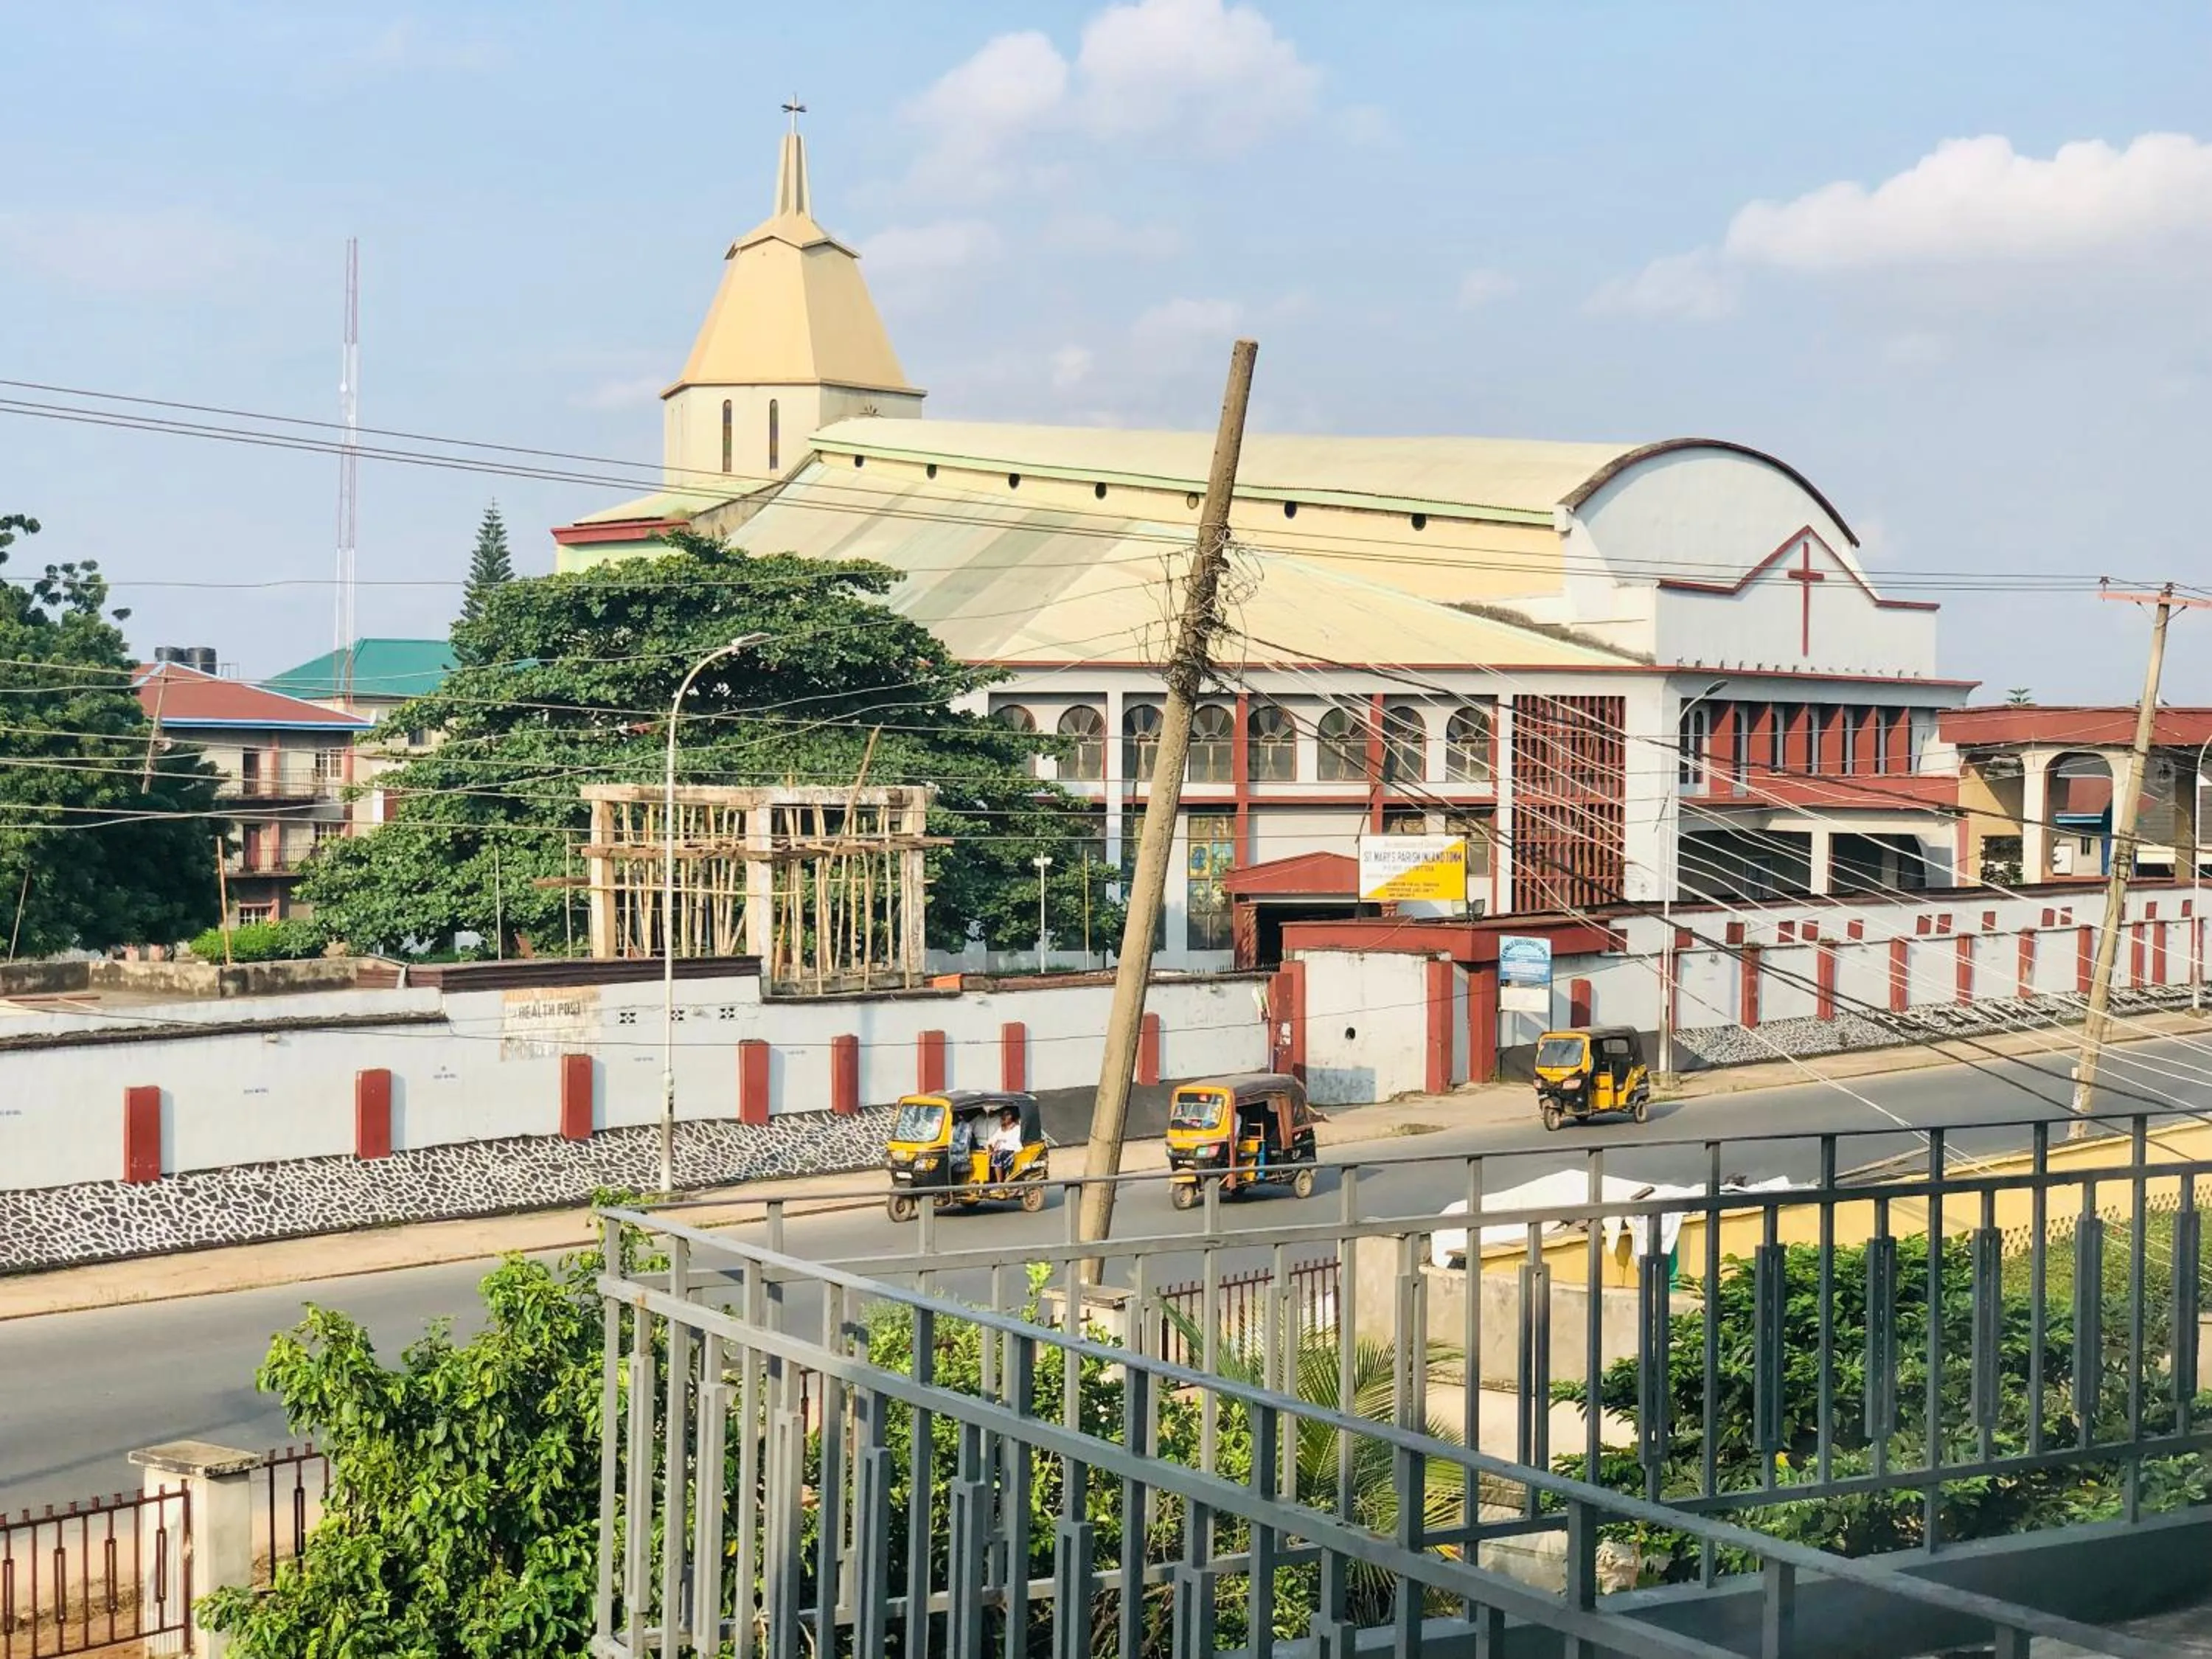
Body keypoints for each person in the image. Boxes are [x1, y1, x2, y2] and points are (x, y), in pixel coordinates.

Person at [988, 1107, 1023, 1181]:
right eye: (1003, 1115)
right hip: (999, 1151)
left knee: (997, 1156)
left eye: (1007, 1115)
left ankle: (999, 1183)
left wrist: (1002, 1143)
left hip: (1012, 1151)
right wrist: (991, 1146)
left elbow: (1014, 1143)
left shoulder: (1017, 1128)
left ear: (1012, 1117)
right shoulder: (1001, 1129)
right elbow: (992, 1140)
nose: (1004, 1117)